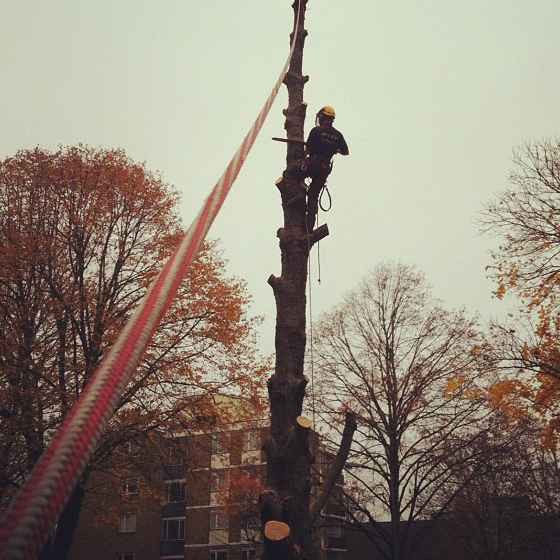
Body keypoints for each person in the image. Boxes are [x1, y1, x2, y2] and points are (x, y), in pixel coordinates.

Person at [300, 106, 349, 231]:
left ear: (321, 117)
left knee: (289, 173)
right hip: (324, 169)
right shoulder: (338, 135)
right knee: (313, 195)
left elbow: (308, 149)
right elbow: (345, 151)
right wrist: (333, 149)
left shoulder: (316, 130)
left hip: (313, 164)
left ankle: (297, 191)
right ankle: (309, 228)